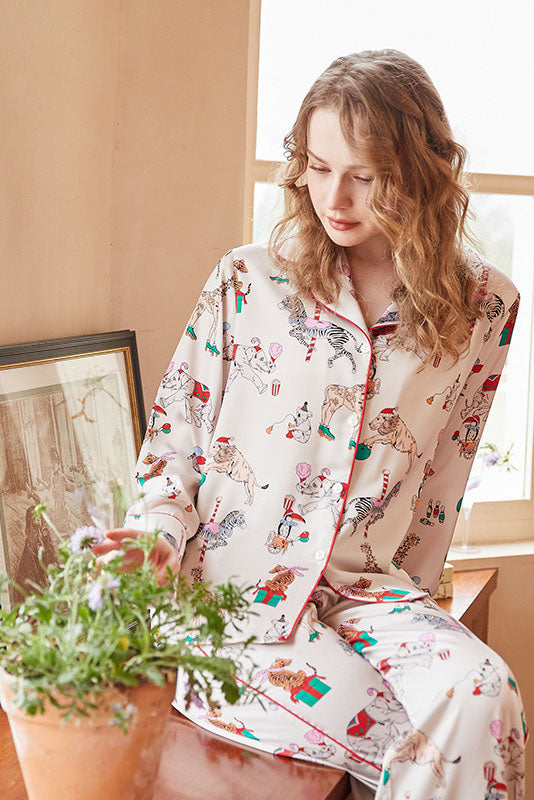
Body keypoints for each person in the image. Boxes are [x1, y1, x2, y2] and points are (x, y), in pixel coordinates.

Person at [93, 49, 526, 799]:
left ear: (418, 172)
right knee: (420, 741)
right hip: (234, 598)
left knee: (486, 698)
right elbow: (175, 444)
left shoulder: (483, 306)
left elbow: (443, 481)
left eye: (366, 176)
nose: (335, 197)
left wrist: (420, 619)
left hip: (370, 594)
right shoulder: (249, 279)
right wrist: (155, 539)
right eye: (318, 169)